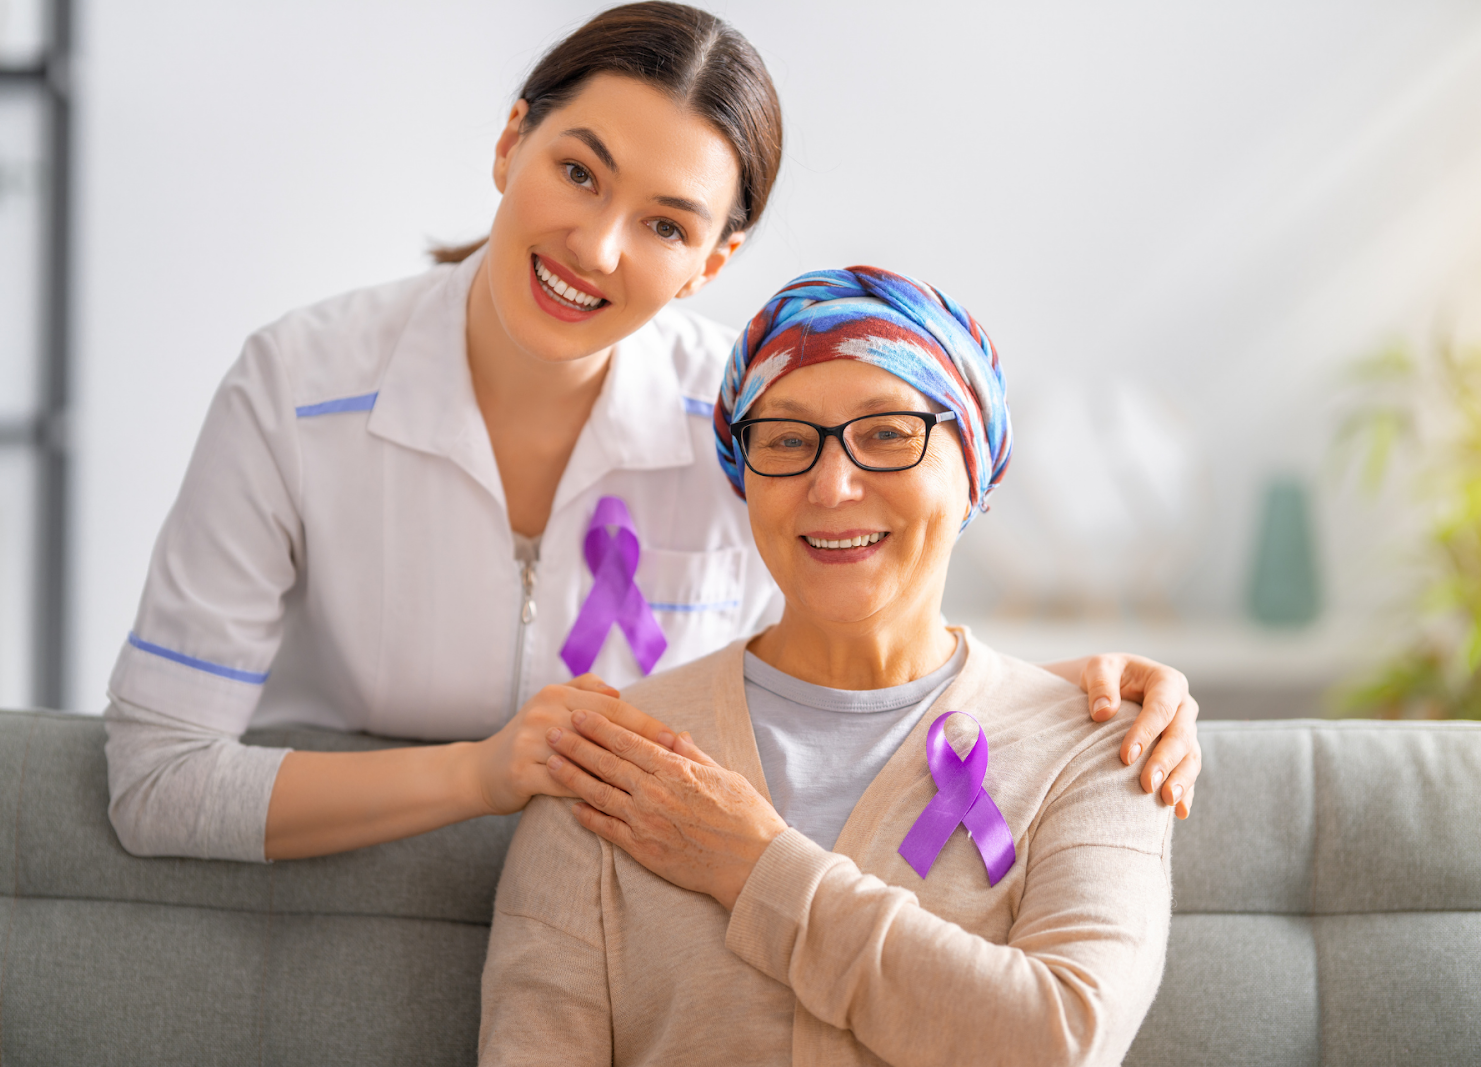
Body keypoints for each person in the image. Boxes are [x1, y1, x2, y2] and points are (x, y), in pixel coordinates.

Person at [103, 3, 1200, 866]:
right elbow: (159, 779)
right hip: (345, 897)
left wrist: (1070, 697)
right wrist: (482, 774)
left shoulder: (756, 422)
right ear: (508, 143)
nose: (596, 245)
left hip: (636, 920)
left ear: (711, 262)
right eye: (576, 170)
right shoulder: (296, 387)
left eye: (666, 224)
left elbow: (847, 686)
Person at [480, 268, 1175, 1066]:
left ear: (975, 469)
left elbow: (1064, 1039)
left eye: (888, 432)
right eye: (785, 439)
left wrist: (749, 862)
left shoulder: (1101, 746)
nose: (833, 483)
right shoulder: (610, 762)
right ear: (746, 477)